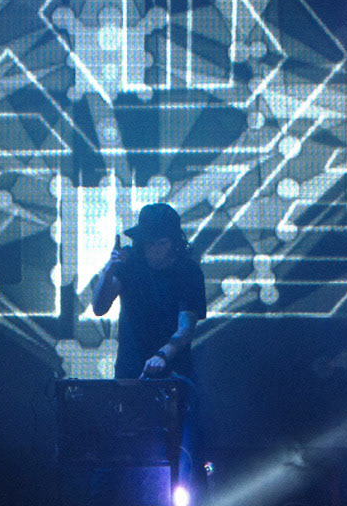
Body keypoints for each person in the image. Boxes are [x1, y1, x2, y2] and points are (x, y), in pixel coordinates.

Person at [90, 202, 206, 488]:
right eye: (148, 242)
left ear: (174, 243)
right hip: (131, 374)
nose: (152, 249)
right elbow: (99, 307)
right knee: (121, 453)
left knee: (181, 452)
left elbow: (186, 327)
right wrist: (109, 270)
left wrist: (163, 356)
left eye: (160, 243)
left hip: (175, 377)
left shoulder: (188, 272)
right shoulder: (130, 266)